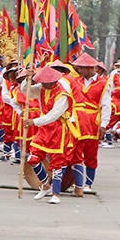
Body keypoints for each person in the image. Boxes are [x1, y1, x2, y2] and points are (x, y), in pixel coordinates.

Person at [23, 66, 75, 204]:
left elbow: (53, 115)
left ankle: (56, 194)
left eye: (46, 82)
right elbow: (25, 91)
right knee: (32, 158)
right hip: (43, 130)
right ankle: (46, 184)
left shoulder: (62, 95)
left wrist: (34, 121)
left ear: (54, 81)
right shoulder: (41, 88)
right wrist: (26, 79)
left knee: (57, 164)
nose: (44, 85)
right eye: (42, 82)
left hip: (58, 130)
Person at [69, 53, 110, 194]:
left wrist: (104, 124)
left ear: (91, 68)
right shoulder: (75, 81)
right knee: (75, 153)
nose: (80, 70)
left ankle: (88, 183)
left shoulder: (103, 83)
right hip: (76, 122)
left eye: (82, 68)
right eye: (79, 68)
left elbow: (106, 105)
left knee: (91, 155)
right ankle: (78, 183)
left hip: (93, 123)